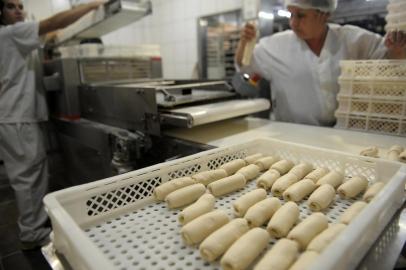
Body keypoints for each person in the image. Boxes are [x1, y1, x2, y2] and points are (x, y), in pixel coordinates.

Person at [0, 0, 105, 249]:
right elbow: (54, 23)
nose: (18, 10)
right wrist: (91, 6)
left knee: (30, 172)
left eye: (20, 6)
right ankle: (32, 233)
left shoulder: (11, 37)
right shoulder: (11, 32)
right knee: (27, 176)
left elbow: (45, 39)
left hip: (17, 115)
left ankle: (34, 224)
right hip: (17, 117)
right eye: (10, 6)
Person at [235, 0, 406, 126]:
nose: (293, 23)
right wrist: (244, 44)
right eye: (291, 15)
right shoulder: (275, 45)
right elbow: (245, 68)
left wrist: (397, 50)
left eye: (301, 15)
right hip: (292, 133)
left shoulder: (355, 41)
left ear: (324, 14)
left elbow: (388, 65)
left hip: (346, 135)